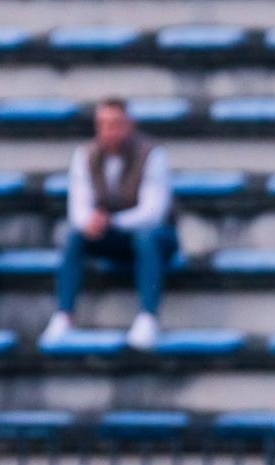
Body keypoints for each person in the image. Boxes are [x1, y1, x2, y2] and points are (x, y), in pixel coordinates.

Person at [41, 97, 178, 351]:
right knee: (75, 237)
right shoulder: (85, 155)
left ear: (129, 125)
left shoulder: (152, 154)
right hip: (112, 235)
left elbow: (153, 212)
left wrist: (111, 221)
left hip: (155, 237)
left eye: (115, 124)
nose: (109, 131)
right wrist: (91, 222)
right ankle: (63, 315)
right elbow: (78, 210)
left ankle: (148, 317)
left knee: (147, 238)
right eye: (103, 124)